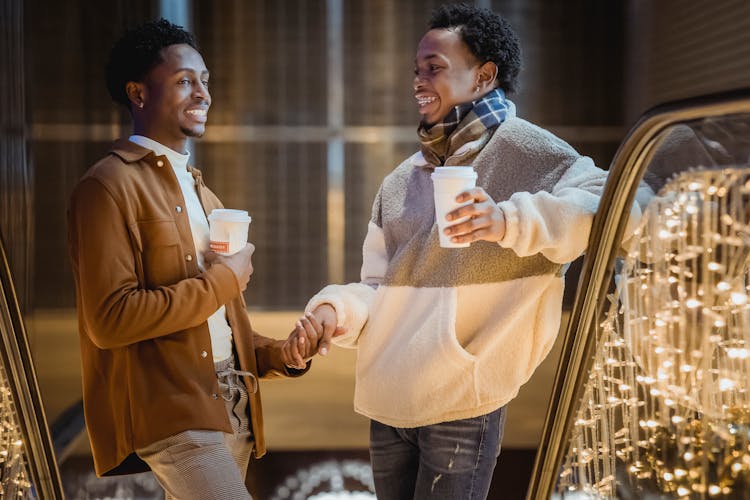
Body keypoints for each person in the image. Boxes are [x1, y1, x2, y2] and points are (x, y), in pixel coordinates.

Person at [285, 4, 611, 499]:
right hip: (387, 404)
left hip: (463, 402)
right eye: (416, 70)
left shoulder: (531, 152)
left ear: (484, 75)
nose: (418, 81)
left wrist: (507, 221)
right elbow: (377, 289)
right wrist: (335, 310)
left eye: (434, 68)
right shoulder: (402, 180)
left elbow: (612, 204)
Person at [67, 19, 308, 500]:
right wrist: (223, 281)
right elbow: (110, 320)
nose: (203, 94)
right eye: (184, 81)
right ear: (138, 93)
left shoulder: (202, 193)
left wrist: (279, 354)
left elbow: (211, 321)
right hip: (172, 411)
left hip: (230, 402)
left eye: (205, 81)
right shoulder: (106, 186)